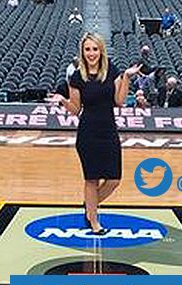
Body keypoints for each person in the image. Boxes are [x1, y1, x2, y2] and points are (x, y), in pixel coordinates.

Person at [48, 32, 141, 234]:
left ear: (101, 50)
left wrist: (126, 77)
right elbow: (75, 109)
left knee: (114, 180)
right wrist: (62, 100)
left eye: (95, 49)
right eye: (87, 49)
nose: (91, 53)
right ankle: (94, 220)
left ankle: (89, 206)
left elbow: (119, 101)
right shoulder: (76, 76)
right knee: (91, 179)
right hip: (88, 133)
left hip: (109, 131)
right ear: (82, 52)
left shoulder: (111, 70)